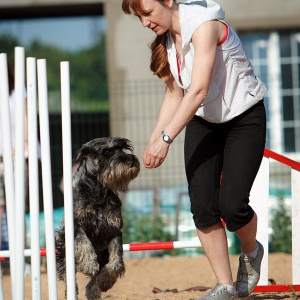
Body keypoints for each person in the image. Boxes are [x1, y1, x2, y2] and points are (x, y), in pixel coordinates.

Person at [122, 0, 266, 299]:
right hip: (203, 120)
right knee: (202, 207)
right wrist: (152, 140)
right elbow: (175, 94)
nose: (145, 23)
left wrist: (166, 138)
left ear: (169, 2)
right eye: (138, 18)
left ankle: (251, 252)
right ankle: (225, 285)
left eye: (147, 13)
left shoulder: (204, 24)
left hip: (244, 118)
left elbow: (198, 88)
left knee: (233, 206)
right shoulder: (167, 43)